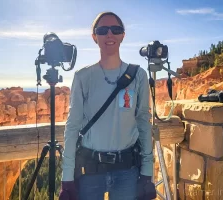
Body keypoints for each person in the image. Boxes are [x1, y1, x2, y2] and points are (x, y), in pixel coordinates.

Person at [59, 11, 156, 200]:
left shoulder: (138, 76)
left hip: (127, 171)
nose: (109, 34)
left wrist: (147, 171)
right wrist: (67, 177)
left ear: (122, 35)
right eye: (103, 30)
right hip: (90, 171)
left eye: (116, 29)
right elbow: (72, 126)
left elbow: (143, 121)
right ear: (94, 37)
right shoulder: (83, 77)